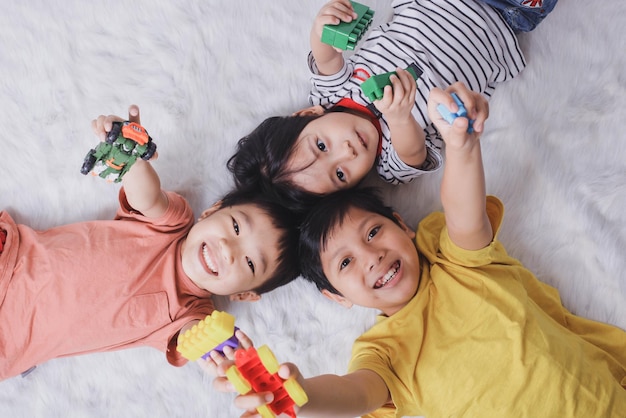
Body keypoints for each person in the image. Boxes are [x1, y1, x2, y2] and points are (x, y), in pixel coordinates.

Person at [212, 83, 626, 417]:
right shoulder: (383, 350)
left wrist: (461, 147)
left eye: (373, 233)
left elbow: (464, 213)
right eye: (346, 262)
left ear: (405, 227)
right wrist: (301, 395)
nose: (371, 255)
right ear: (336, 296)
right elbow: (355, 393)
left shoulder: (456, 262)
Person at [0, 105, 301, 381]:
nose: (228, 249)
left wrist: (220, 349)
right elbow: (146, 196)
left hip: (9, 342)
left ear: (245, 294)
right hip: (11, 258)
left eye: (249, 262)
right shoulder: (171, 225)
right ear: (211, 211)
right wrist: (131, 152)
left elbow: (193, 337)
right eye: (235, 226)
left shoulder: (191, 313)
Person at [228, 0, 531, 213]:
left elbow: (326, 58)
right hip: (504, 23)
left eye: (321, 145)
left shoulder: (332, 96)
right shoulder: (388, 163)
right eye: (341, 175)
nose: (347, 152)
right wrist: (398, 118)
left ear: (308, 115)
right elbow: (414, 154)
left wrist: (323, 26)